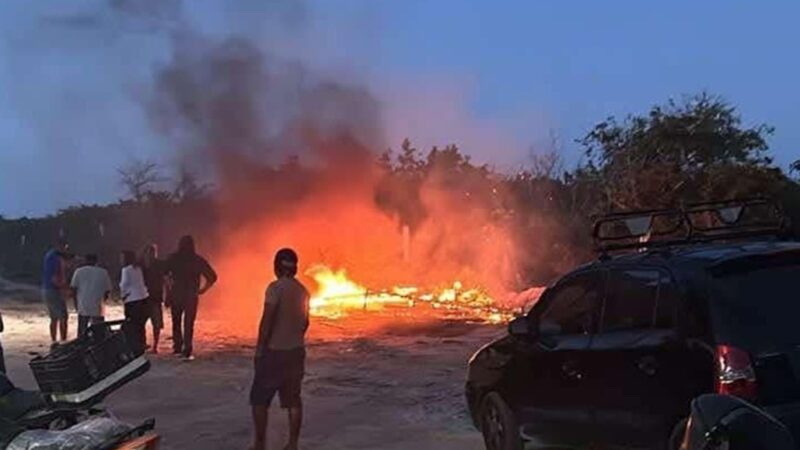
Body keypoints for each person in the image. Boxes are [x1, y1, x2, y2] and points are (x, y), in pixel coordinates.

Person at [250, 248, 310, 450]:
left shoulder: (274, 289)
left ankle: (260, 444)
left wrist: (260, 349)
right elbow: (305, 323)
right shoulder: (303, 291)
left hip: (274, 352)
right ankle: (292, 444)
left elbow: (267, 319)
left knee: (259, 398)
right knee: (293, 400)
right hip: (296, 351)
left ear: (277, 266)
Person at [165, 235, 217, 361]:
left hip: (177, 294)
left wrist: (168, 290)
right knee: (189, 323)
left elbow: (164, 274)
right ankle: (187, 349)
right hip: (191, 296)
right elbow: (213, 277)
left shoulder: (173, 258)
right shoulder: (197, 260)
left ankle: (177, 347)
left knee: (176, 322)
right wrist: (203, 289)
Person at [70, 254, 112, 337]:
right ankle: (99, 347)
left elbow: (74, 289)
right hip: (98, 305)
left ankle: (81, 346)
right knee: (99, 332)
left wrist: (76, 304)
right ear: (96, 261)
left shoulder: (79, 271)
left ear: (85, 260)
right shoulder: (103, 272)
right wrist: (103, 302)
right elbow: (107, 290)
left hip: (83, 304)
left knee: (82, 330)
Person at [119, 250, 149, 355]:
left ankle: (134, 346)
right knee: (140, 324)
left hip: (132, 300)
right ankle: (142, 344)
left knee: (132, 324)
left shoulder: (126, 270)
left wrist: (122, 296)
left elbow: (124, 285)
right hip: (143, 298)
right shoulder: (138, 268)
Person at [42, 241, 69, 343]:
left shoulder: (49, 256)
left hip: (47, 290)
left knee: (54, 318)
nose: (66, 249)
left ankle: (54, 341)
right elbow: (54, 278)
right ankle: (64, 342)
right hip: (54, 291)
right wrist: (65, 289)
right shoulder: (55, 258)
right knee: (63, 317)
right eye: (65, 247)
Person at [142, 244, 167, 353]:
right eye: (149, 252)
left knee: (155, 324)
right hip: (145, 297)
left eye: (152, 252)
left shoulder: (158, 265)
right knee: (143, 322)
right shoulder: (142, 266)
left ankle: (155, 345)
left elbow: (165, 279)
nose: (151, 255)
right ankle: (145, 344)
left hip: (154, 297)